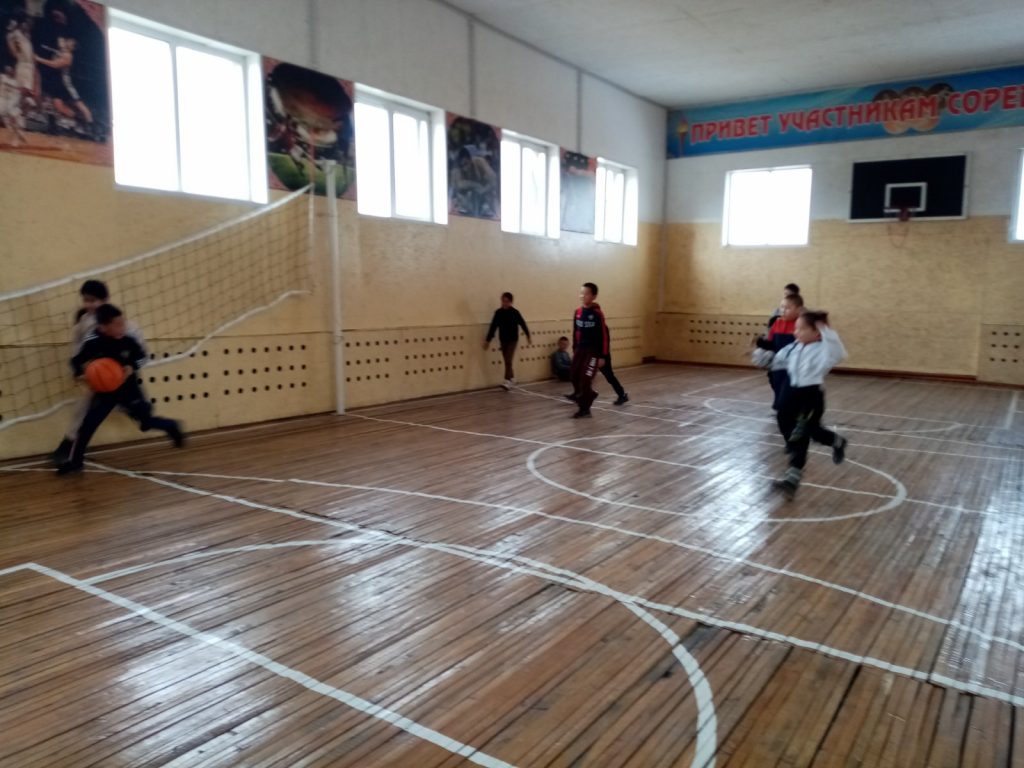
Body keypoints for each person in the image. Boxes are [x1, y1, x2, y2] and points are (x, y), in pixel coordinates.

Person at [56, 304, 183, 475]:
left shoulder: (127, 340)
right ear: (103, 327)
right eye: (117, 324)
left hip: (129, 389)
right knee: (87, 425)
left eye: (123, 323)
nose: (122, 327)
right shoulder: (92, 341)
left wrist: (131, 366)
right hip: (105, 392)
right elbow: (76, 360)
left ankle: (172, 426)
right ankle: (75, 463)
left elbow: (142, 357)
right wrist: (79, 374)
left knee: (145, 423)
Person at [752, 309, 848, 496]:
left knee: (805, 432)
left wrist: (825, 330)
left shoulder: (825, 350)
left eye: (802, 329)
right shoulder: (795, 346)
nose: (796, 332)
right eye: (796, 328)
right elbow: (780, 359)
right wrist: (767, 360)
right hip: (791, 392)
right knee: (783, 420)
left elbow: (838, 351)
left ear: (817, 332)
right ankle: (807, 449)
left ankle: (794, 476)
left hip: (810, 396)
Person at [52, 280, 146, 464]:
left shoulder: (120, 322)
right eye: (86, 300)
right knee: (83, 409)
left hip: (121, 374)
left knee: (135, 405)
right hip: (99, 374)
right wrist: (78, 371)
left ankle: (136, 412)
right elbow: (78, 349)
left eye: (93, 300)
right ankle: (67, 446)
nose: (89, 305)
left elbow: (139, 348)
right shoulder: (83, 323)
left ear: (105, 300)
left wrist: (130, 366)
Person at [754, 293, 803, 411]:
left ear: (798, 310)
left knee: (791, 387)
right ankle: (780, 405)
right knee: (776, 383)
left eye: (788, 308)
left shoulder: (801, 325)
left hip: (794, 365)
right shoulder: (777, 323)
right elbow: (772, 344)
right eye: (782, 307)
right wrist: (761, 343)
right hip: (778, 364)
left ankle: (792, 408)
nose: (783, 310)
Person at [569, 282, 609, 419]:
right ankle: (589, 394)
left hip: (593, 352)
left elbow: (604, 335)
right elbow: (575, 331)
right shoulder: (578, 312)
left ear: (593, 296)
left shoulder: (597, 314)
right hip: (580, 350)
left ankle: (585, 409)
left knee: (586, 379)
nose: (583, 296)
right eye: (581, 293)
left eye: (586, 293)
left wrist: (602, 356)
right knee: (573, 375)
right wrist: (575, 348)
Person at [483, 292, 530, 389]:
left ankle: (507, 380)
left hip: (513, 340)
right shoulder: (498, 313)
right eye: (503, 301)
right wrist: (488, 340)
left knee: (508, 359)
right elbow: (493, 326)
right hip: (503, 340)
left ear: (511, 302)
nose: (504, 303)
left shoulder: (515, 313)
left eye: (506, 301)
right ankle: (512, 378)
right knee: (507, 361)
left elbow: (522, 323)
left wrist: (528, 335)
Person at [451, 147, 497, 217]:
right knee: (460, 195)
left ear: (470, 160)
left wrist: (484, 190)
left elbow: (493, 177)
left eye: (466, 164)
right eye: (462, 166)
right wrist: (475, 185)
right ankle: (468, 210)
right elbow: (459, 185)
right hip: (470, 195)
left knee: (492, 192)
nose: (464, 168)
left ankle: (489, 210)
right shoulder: (458, 168)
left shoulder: (479, 161)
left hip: (483, 192)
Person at [0, 64, 27, 147]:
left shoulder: (18, 81)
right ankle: (18, 134)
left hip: (12, 101)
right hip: (2, 99)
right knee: (7, 121)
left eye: (11, 68)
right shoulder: (2, 77)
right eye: (7, 68)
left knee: (13, 118)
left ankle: (17, 136)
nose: (9, 70)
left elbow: (20, 94)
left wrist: (19, 103)